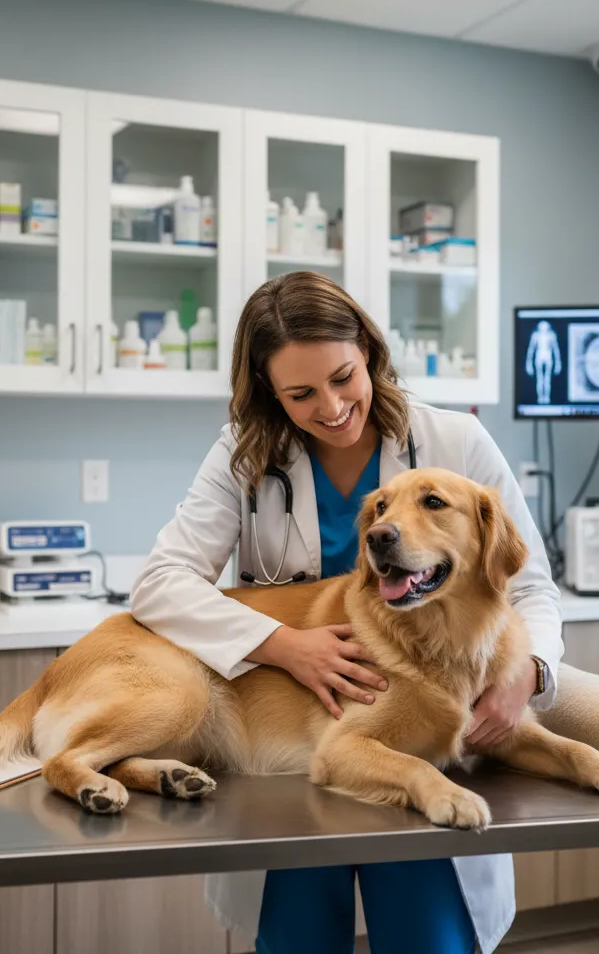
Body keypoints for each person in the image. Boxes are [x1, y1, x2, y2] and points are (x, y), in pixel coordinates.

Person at [130, 271, 564, 954]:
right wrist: (282, 644)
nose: (332, 407)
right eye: (300, 394)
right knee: (299, 941)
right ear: (270, 391)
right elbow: (159, 582)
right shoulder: (244, 455)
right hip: (297, 758)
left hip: (414, 750)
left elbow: (529, 583)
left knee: (429, 941)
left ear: (367, 348)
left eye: (343, 377)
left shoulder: (456, 442)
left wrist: (528, 672)